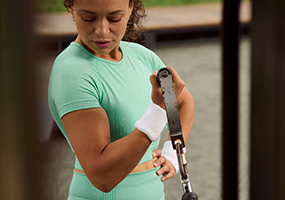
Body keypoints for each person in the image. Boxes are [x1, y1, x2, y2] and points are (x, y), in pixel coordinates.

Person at [47, 0, 195, 199]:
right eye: (88, 17)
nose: (102, 30)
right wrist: (158, 110)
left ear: (130, 8)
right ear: (72, 9)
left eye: (114, 18)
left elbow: (184, 102)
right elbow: (102, 176)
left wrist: (172, 153)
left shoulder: (142, 57)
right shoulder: (72, 71)